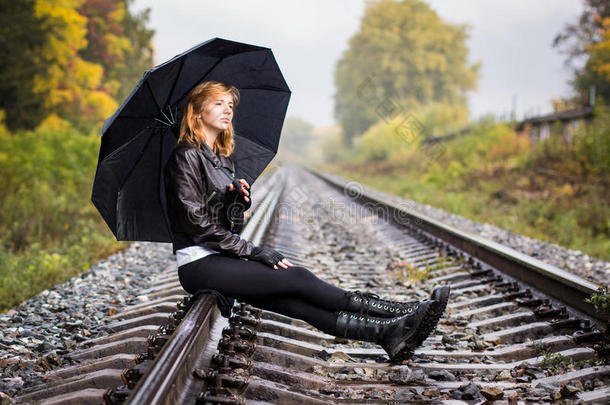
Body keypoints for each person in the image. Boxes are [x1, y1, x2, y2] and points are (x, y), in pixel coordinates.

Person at [163, 81, 450, 362]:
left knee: (296, 303)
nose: (227, 110)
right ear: (197, 112)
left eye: (230, 105)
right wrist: (253, 250)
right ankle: (398, 312)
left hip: (221, 258)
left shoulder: (221, 160)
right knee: (297, 278)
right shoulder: (185, 156)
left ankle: (388, 333)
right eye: (218, 104)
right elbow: (195, 224)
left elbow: (227, 222)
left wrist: (237, 201)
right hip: (199, 262)